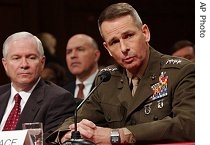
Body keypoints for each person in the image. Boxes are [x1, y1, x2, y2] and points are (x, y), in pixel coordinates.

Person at [46, 3, 195, 145]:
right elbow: (77, 119)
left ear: (145, 33)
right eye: (114, 42)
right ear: (107, 48)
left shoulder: (181, 71)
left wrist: (118, 135)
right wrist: (68, 134)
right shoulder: (107, 79)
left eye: (129, 36)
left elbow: (189, 124)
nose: (124, 48)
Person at [0, 31, 76, 145]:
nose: (24, 65)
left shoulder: (59, 99)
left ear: (42, 62)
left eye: (31, 57)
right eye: (16, 58)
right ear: (5, 64)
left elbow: (51, 142)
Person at [63, 34, 101, 103]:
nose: (73, 55)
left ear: (96, 55)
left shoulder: (109, 87)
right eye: (69, 52)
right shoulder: (63, 93)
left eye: (80, 49)